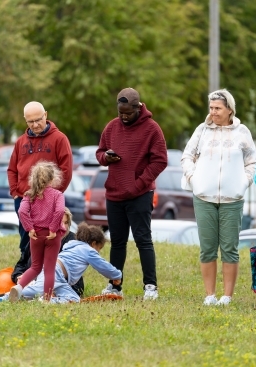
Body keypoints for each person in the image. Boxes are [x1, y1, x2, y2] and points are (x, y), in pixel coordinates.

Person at [181, 89, 256, 306]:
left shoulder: (242, 132)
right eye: (211, 108)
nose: (213, 112)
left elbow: (252, 161)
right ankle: (210, 295)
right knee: (207, 247)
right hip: (203, 197)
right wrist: (193, 178)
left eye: (218, 108)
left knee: (229, 248)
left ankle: (227, 296)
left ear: (229, 110)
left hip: (232, 200)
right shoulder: (202, 131)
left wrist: (244, 181)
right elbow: (187, 156)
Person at [96, 87, 168, 300]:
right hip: (115, 194)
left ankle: (150, 286)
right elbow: (100, 152)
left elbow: (160, 160)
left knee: (143, 240)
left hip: (140, 194)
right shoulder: (112, 127)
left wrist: (139, 184)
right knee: (117, 242)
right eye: (121, 113)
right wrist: (106, 158)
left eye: (128, 113)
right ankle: (115, 285)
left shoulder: (152, 129)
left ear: (139, 107)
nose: (124, 117)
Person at [8, 101, 72, 254]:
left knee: (48, 238)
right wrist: (15, 192)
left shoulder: (59, 139)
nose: (35, 124)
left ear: (46, 115)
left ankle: (46, 272)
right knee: (26, 238)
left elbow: (66, 170)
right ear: (25, 120)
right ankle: (25, 269)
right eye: (31, 121)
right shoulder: (20, 142)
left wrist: (52, 195)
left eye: (38, 119)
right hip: (24, 199)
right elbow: (12, 169)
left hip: (48, 200)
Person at [10, 223, 122, 303]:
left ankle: (44, 299)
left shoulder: (73, 245)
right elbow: (103, 266)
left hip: (57, 276)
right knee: (32, 291)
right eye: (99, 248)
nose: (98, 252)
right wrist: (117, 275)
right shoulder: (88, 250)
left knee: (74, 299)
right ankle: (1, 298)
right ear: (93, 244)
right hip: (55, 273)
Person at [9, 161, 66, 302]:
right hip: (53, 236)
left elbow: (22, 211)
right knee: (49, 269)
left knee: (35, 266)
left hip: (36, 235)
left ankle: (19, 287)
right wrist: (53, 229)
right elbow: (59, 211)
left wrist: (30, 228)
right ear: (53, 179)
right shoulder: (57, 195)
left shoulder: (29, 195)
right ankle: (46, 299)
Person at [11, 207, 85, 296]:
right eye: (60, 223)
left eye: (66, 223)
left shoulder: (72, 242)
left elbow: (76, 281)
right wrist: (18, 277)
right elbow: (21, 264)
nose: (64, 227)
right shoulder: (37, 237)